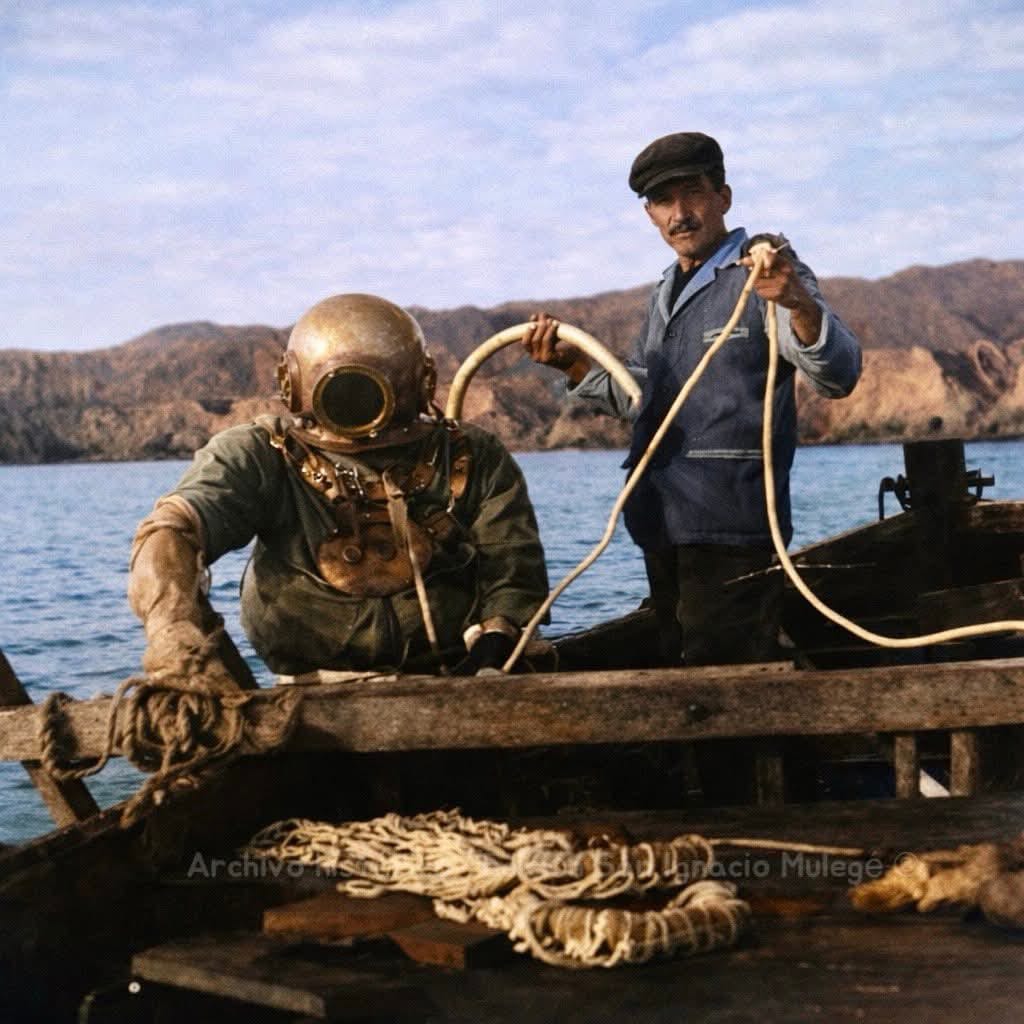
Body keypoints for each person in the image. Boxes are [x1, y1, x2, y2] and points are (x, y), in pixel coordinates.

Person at [524, 131, 861, 667]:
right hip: (662, 524)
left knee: (724, 698)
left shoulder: (765, 270)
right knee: (680, 682)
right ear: (649, 215)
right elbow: (645, 403)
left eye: (692, 194)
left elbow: (838, 374)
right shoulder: (664, 291)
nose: (679, 214)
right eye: (663, 201)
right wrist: (572, 363)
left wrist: (797, 303)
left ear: (723, 197)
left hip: (734, 525)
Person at [128, 292, 550, 688]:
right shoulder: (265, 454)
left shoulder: (469, 453)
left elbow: (512, 568)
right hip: (309, 688)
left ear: (290, 380)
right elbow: (171, 531)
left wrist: (497, 640)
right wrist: (174, 642)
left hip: (462, 678)